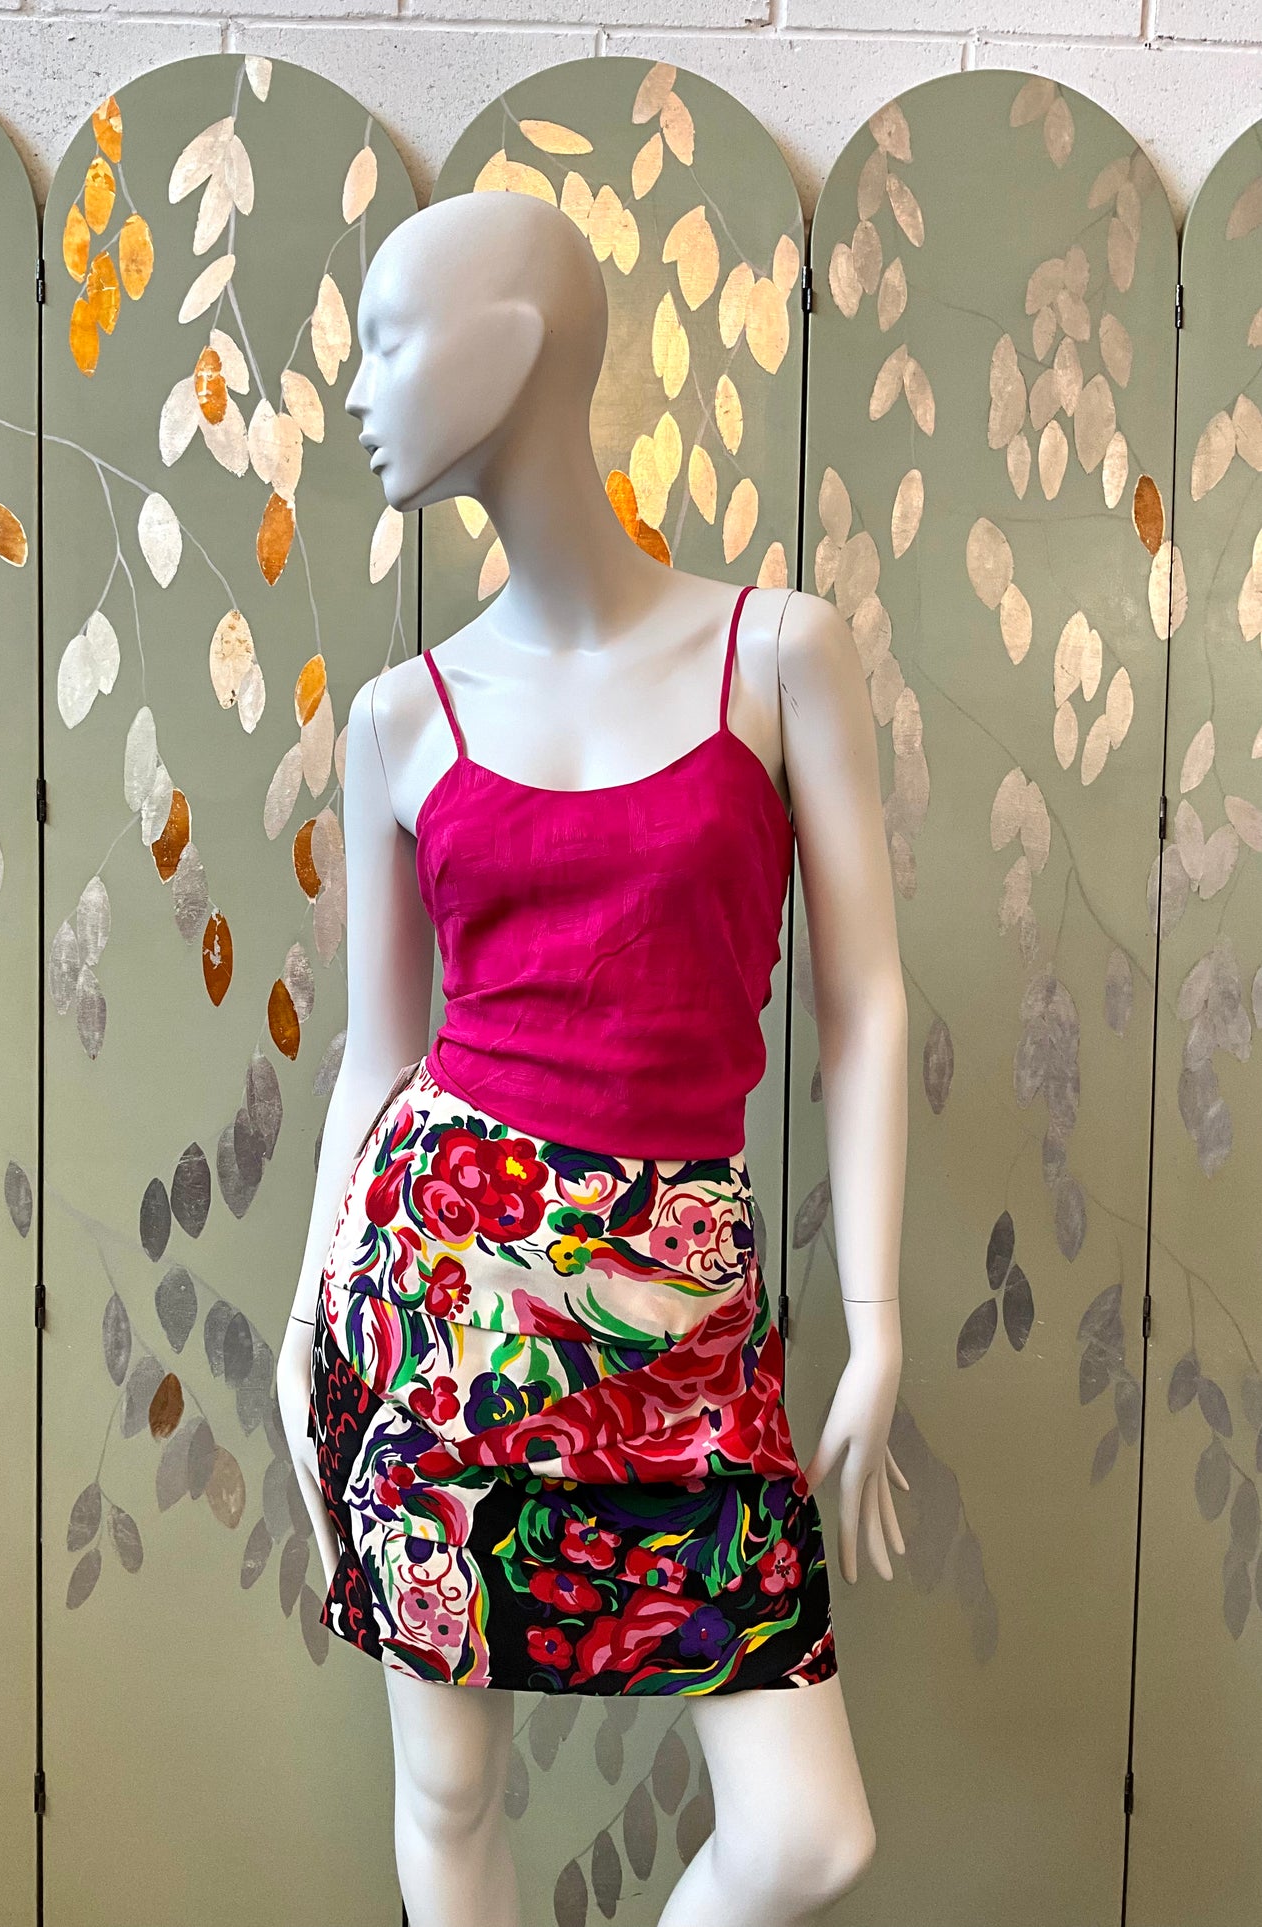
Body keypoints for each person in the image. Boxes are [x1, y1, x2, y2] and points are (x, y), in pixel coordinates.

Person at [277, 189, 909, 1927]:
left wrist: (875, 1321)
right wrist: (306, 1313)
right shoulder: (402, 718)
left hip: (686, 1306)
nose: (358, 392)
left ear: (509, 347)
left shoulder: (777, 654)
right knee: (448, 1791)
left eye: (389, 341)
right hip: (437, 1296)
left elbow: (863, 1007)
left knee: (804, 1837)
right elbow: (374, 1059)